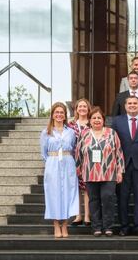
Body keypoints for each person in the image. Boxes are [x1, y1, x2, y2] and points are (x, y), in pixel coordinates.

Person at [76, 106, 124, 236]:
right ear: (90, 121)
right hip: (90, 172)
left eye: (99, 117)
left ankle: (108, 226)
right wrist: (78, 169)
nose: (96, 120)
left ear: (103, 120)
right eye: (93, 118)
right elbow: (78, 153)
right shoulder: (84, 134)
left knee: (108, 198)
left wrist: (120, 171)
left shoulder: (111, 133)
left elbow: (119, 152)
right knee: (93, 200)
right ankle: (96, 227)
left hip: (109, 172)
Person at [112, 95, 138, 236]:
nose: (132, 105)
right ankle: (124, 226)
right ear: (125, 106)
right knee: (122, 197)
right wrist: (114, 165)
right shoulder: (117, 121)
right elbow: (112, 145)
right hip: (122, 165)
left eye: (134, 103)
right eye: (129, 103)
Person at [41, 102, 79, 238]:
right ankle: (56, 224)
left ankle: (65, 225)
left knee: (69, 193)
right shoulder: (46, 132)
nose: (59, 115)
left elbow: (73, 148)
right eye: (56, 112)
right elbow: (43, 153)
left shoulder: (71, 132)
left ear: (65, 115)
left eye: (61, 112)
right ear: (52, 115)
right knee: (53, 194)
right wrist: (52, 162)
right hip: (52, 163)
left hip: (68, 163)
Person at [68, 98, 91, 227]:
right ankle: (78, 215)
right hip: (72, 159)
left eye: (84, 106)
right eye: (80, 106)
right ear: (76, 109)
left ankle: (87, 215)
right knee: (76, 187)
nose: (82, 108)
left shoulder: (92, 123)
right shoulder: (71, 125)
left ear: (88, 109)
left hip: (88, 160)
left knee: (87, 188)